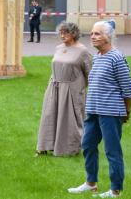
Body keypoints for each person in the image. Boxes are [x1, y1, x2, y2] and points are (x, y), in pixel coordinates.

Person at [68, 20, 131, 198]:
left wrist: (127, 111)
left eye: (97, 33)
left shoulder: (116, 57)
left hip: (111, 112)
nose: (92, 36)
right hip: (94, 110)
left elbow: (128, 87)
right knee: (88, 144)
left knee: (112, 150)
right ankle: (91, 183)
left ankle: (115, 190)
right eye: (91, 33)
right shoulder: (98, 56)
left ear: (108, 37)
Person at [36, 21, 92, 156]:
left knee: (70, 120)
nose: (62, 35)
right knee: (49, 116)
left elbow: (90, 73)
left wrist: (80, 89)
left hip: (72, 90)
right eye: (61, 33)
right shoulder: (59, 48)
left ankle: (69, 149)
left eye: (65, 32)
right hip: (54, 87)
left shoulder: (82, 51)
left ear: (73, 33)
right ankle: (44, 146)